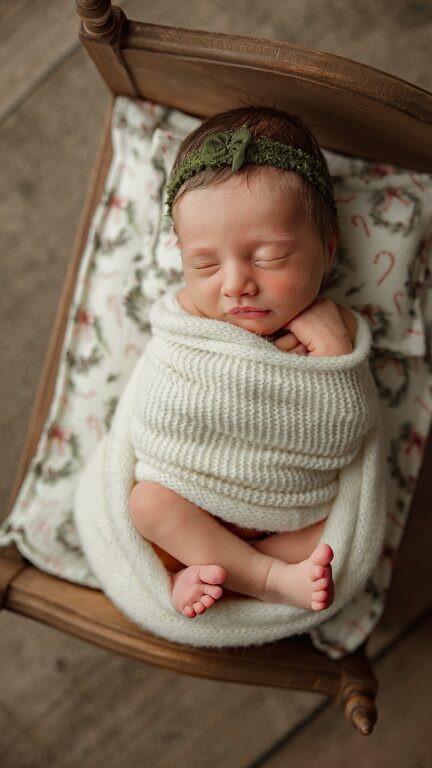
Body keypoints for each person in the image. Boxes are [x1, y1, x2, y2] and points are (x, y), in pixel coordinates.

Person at [127, 106, 367, 620]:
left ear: (327, 249)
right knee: (147, 504)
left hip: (284, 514)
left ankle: (231, 576)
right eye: (205, 265)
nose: (236, 284)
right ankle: (261, 579)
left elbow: (347, 434)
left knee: (337, 540)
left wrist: (336, 364)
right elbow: (160, 408)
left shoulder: (334, 326)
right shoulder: (186, 320)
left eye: (268, 258)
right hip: (190, 496)